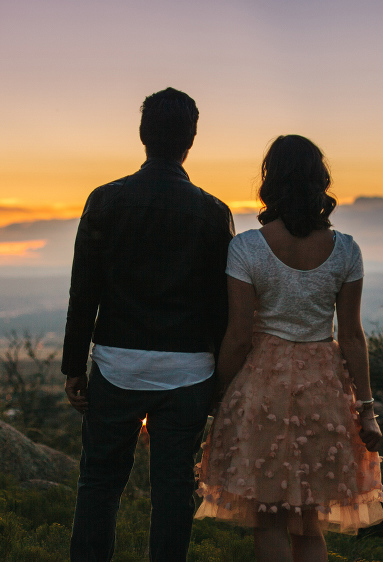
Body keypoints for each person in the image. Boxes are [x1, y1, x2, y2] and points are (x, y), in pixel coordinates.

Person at [62, 88, 235, 562]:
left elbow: (85, 293)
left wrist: (74, 367)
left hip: (117, 365)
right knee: (175, 489)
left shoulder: (105, 200)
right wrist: (219, 378)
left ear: (142, 135)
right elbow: (221, 307)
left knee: (99, 482)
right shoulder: (214, 213)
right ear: (191, 140)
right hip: (190, 372)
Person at [195, 134, 383, 562]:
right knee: (310, 521)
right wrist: (367, 407)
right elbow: (352, 335)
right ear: (320, 181)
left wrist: (220, 393)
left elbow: (239, 335)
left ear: (271, 182)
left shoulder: (246, 247)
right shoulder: (347, 250)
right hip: (325, 388)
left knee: (272, 520)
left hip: (263, 383)